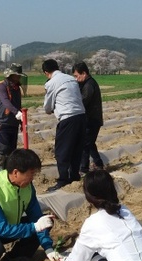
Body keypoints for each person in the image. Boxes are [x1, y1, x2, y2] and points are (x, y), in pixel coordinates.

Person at [42, 59, 87, 192]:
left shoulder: (51, 83)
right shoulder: (71, 79)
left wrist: (51, 109)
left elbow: (47, 107)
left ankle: (63, 179)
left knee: (62, 151)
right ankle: (74, 176)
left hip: (68, 118)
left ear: (46, 72)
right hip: (81, 116)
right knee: (76, 149)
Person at [72, 62, 105, 175]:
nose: (76, 79)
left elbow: (83, 101)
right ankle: (86, 167)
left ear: (84, 73)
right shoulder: (86, 83)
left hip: (92, 119)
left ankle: (96, 164)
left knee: (87, 143)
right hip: (90, 119)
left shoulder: (89, 85)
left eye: (77, 76)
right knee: (87, 143)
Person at [0, 63, 26, 170]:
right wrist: (16, 112)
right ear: (11, 75)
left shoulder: (16, 88)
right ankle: (0, 170)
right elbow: (6, 102)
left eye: (19, 76)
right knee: (4, 148)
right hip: (2, 123)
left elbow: (18, 104)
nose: (18, 78)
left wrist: (22, 121)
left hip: (13, 123)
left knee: (12, 149)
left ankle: (10, 170)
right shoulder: (1, 86)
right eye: (17, 75)